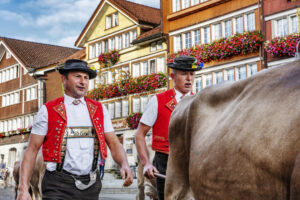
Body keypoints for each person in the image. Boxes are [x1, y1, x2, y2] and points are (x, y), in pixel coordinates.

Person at [17, 59, 133, 200]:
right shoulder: (47, 110)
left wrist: (124, 164)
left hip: (90, 184)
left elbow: (114, 143)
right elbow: (32, 149)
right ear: (63, 79)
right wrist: (23, 188)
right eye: (77, 76)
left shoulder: (99, 109)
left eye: (86, 78)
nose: (83, 81)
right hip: (57, 184)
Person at [135, 56, 202, 200]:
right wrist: (146, 163)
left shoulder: (199, 101)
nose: (189, 79)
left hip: (193, 161)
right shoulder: (158, 101)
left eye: (192, 74)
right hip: (165, 160)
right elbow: (140, 134)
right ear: (173, 76)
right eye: (184, 74)